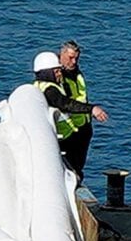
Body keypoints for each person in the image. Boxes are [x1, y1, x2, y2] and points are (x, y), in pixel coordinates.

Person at [35, 43, 108, 178]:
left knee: (77, 169)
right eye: (70, 58)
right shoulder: (55, 81)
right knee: (70, 170)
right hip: (68, 132)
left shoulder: (75, 73)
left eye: (76, 58)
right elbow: (65, 103)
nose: (73, 62)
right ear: (61, 56)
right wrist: (91, 109)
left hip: (82, 127)